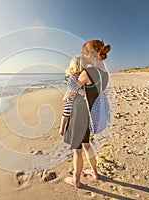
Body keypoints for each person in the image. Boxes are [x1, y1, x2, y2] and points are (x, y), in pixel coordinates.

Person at [63, 39, 111, 188]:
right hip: (92, 113)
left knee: (77, 149)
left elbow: (71, 87)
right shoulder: (105, 73)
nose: (83, 58)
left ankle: (75, 181)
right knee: (87, 145)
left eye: (84, 54)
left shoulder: (89, 72)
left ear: (91, 54)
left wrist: (68, 95)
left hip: (81, 114)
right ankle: (95, 173)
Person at [58, 56, 85, 136]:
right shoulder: (75, 75)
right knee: (66, 113)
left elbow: (67, 83)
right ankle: (62, 128)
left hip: (73, 97)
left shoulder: (74, 74)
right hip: (72, 98)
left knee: (66, 113)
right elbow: (70, 85)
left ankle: (63, 128)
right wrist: (81, 91)